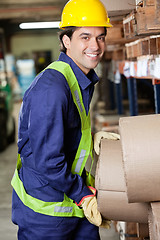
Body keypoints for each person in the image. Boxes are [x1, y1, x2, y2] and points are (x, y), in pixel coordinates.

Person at [11, 0, 119, 239]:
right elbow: (48, 160)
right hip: (48, 214)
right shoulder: (53, 89)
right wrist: (82, 194)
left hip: (72, 203)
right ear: (66, 41)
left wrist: (89, 140)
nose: (95, 45)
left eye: (100, 37)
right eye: (85, 37)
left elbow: (61, 136)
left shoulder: (80, 78)